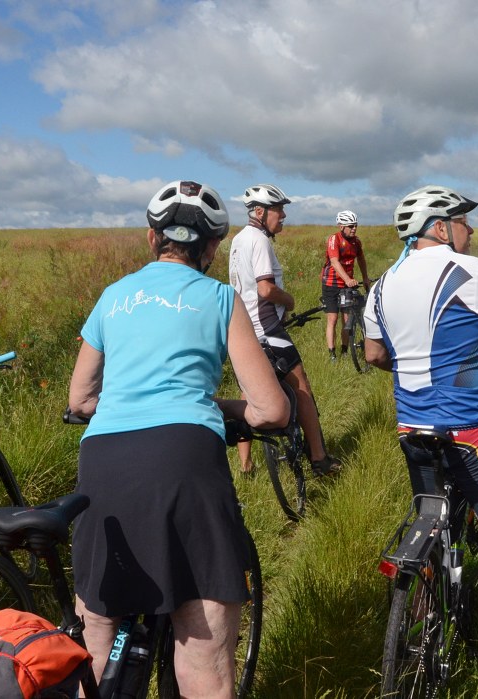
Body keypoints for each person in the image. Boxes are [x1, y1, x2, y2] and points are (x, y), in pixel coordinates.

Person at [68, 181, 288, 698]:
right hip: (184, 458)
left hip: (103, 460)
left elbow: (80, 400)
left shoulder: (113, 296)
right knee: (202, 648)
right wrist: (216, 406)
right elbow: (271, 410)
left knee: (97, 641)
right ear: (211, 248)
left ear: (152, 238)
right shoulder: (218, 297)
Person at [363, 185, 478, 656]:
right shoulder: (469, 271)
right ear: (440, 227)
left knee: (432, 522)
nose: (472, 229)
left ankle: (424, 630)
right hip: (472, 431)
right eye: (464, 221)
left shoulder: (381, 285)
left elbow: (374, 354)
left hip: (412, 428)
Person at [228, 183, 341, 477]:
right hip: (267, 326)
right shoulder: (260, 241)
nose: (284, 215)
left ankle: (245, 465)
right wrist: (288, 300)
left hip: (243, 329)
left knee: (248, 391)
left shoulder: (239, 240)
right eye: (279, 209)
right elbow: (266, 289)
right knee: (300, 384)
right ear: (260, 212)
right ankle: (319, 459)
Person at [320, 210, 370, 361]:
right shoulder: (334, 239)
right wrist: (347, 279)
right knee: (332, 319)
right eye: (350, 226)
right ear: (341, 226)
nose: (354, 229)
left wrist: (365, 278)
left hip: (347, 285)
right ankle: (332, 354)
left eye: (355, 225)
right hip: (331, 284)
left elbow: (361, 260)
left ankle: (345, 351)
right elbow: (334, 262)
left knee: (347, 318)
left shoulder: (356, 241)